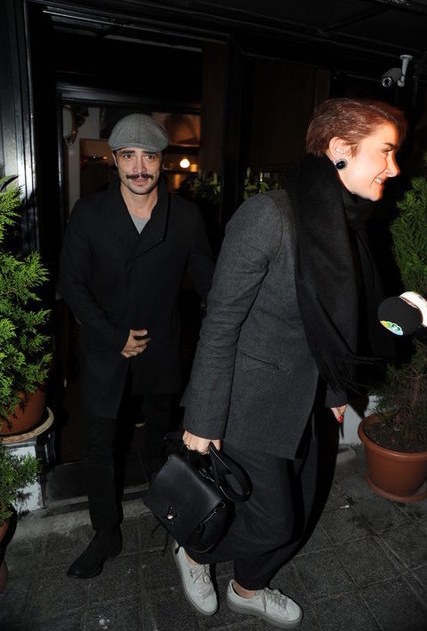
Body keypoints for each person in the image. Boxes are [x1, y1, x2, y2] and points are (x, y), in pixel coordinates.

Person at [174, 98, 407, 627]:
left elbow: (336, 325)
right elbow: (220, 324)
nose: (394, 168)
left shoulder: (348, 226)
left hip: (309, 406)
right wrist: (203, 420)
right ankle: (193, 548)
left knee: (296, 518)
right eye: (386, 152)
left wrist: (336, 392)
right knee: (274, 522)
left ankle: (248, 588)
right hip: (247, 405)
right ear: (340, 149)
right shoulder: (268, 216)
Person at [58, 113, 214, 579]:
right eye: (129, 156)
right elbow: (71, 284)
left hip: (162, 350)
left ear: (162, 161)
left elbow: (213, 288)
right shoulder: (89, 213)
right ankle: (106, 533)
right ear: (115, 159)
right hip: (105, 351)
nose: (139, 168)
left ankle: (173, 517)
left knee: (162, 443)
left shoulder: (185, 217)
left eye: (149, 157)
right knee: (99, 446)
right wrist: (113, 336)